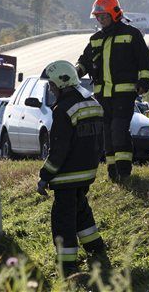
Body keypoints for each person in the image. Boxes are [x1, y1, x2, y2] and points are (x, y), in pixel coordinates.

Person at [36, 60, 109, 276]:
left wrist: (44, 176)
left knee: (63, 221)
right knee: (81, 211)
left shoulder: (63, 110)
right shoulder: (92, 102)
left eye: (52, 85)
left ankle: (67, 266)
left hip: (67, 176)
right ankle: (96, 248)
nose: (51, 89)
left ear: (61, 83)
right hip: (87, 173)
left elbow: (59, 150)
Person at [77, 0, 149, 181]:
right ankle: (113, 173)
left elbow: (144, 59)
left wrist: (144, 81)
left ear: (114, 14)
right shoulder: (96, 39)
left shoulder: (131, 34)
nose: (101, 20)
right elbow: (84, 61)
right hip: (102, 95)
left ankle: (124, 172)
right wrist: (75, 71)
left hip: (124, 94)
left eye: (104, 16)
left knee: (119, 131)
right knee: (107, 135)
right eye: (99, 17)